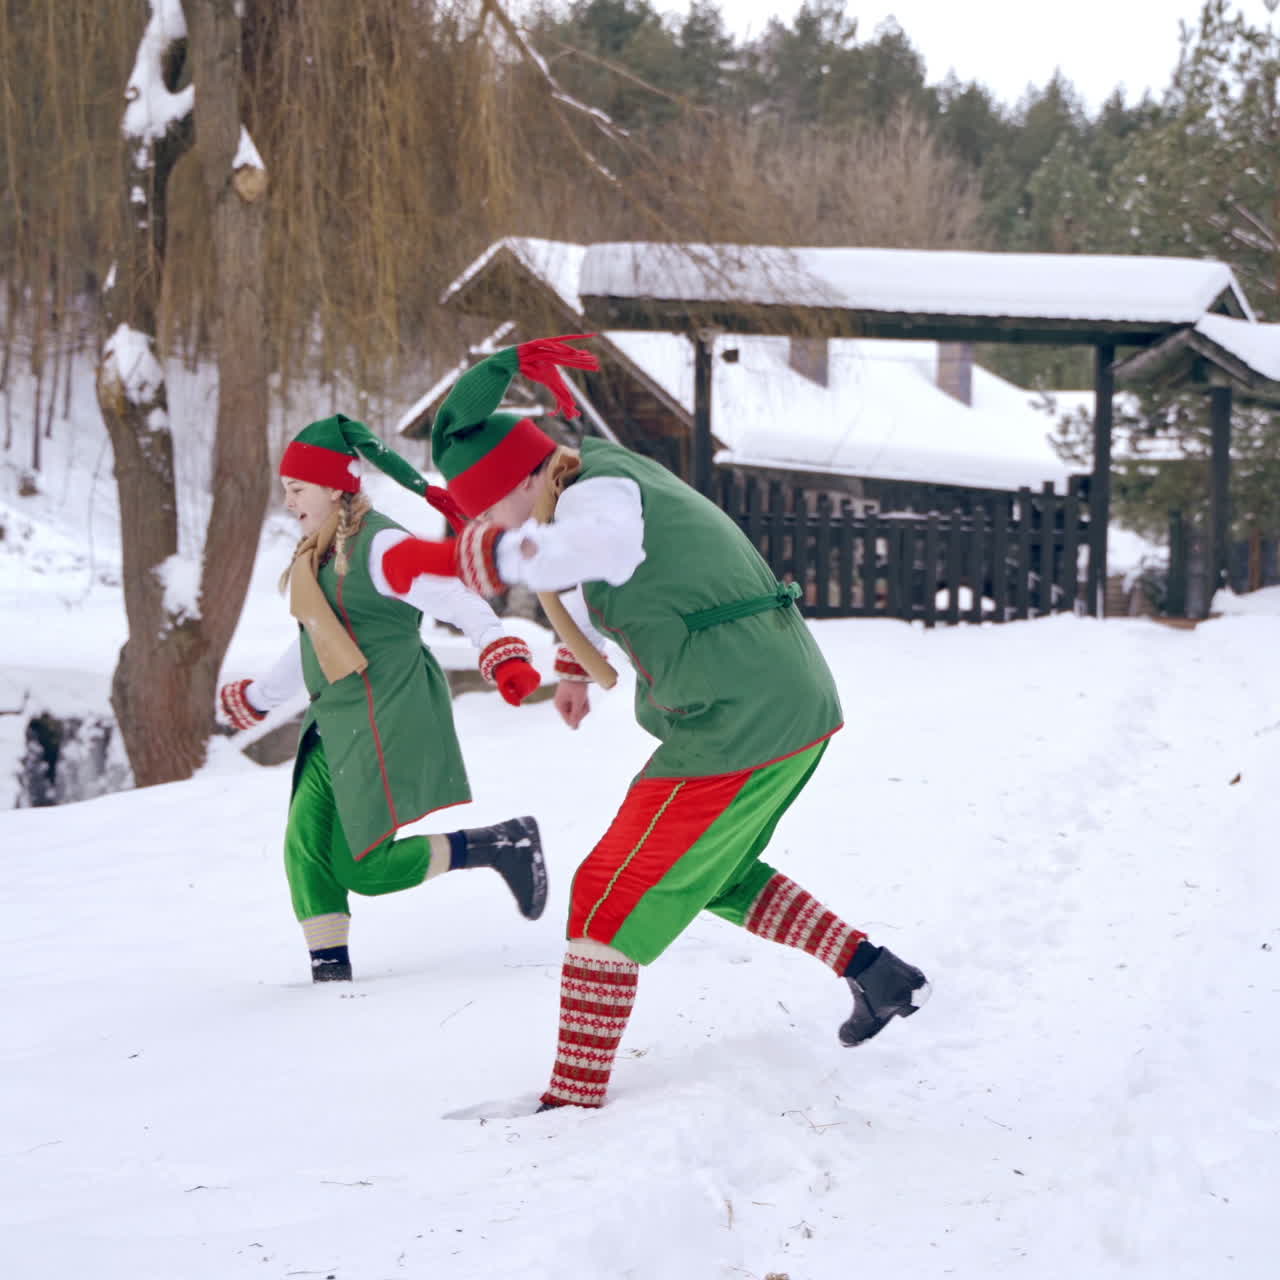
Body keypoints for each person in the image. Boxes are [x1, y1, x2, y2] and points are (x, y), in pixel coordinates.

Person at [382, 336, 931, 1110]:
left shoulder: (595, 497)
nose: (487, 523)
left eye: (488, 510)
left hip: (738, 716)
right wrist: (576, 670)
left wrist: (474, 558)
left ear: (520, 480)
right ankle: (877, 975)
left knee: (608, 889)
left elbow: (590, 546)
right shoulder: (600, 480)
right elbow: (595, 575)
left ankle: (573, 1102)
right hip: (782, 703)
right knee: (707, 872)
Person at [217, 413, 549, 984]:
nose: (289, 502)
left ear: (333, 487)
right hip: (335, 718)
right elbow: (318, 636)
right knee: (304, 847)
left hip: (387, 712)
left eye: (297, 489)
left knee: (363, 867)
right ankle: (329, 978)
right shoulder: (322, 551)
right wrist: (262, 697)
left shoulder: (380, 545)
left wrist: (502, 650)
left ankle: (501, 844)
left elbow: (456, 598)